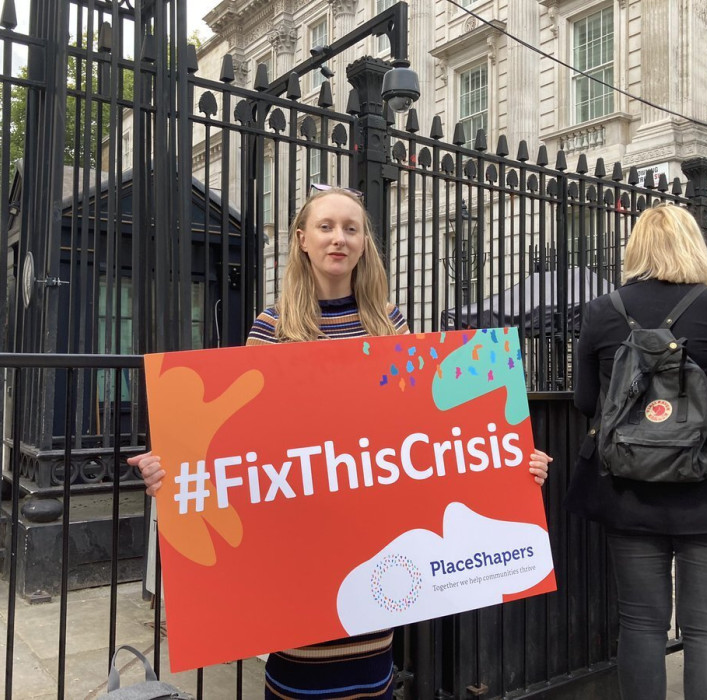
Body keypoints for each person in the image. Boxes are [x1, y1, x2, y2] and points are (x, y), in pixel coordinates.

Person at [130, 185, 553, 699]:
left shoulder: (390, 326)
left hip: (372, 544)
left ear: (364, 243)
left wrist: (511, 463)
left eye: (351, 229)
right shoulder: (271, 328)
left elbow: (430, 435)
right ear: (302, 239)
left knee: (370, 674)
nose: (339, 238)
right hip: (299, 544)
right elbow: (238, 447)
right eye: (326, 227)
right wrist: (172, 469)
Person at [565, 204, 707, 700]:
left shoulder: (603, 309)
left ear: (635, 248)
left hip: (629, 489)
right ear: (694, 246)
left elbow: (585, 401)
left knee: (640, 624)